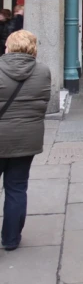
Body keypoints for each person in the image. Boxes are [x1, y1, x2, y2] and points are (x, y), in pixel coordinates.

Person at [0, 30, 51, 250]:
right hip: (27, 137)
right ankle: (11, 240)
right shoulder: (43, 71)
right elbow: (44, 101)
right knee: (17, 188)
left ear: (8, 47)